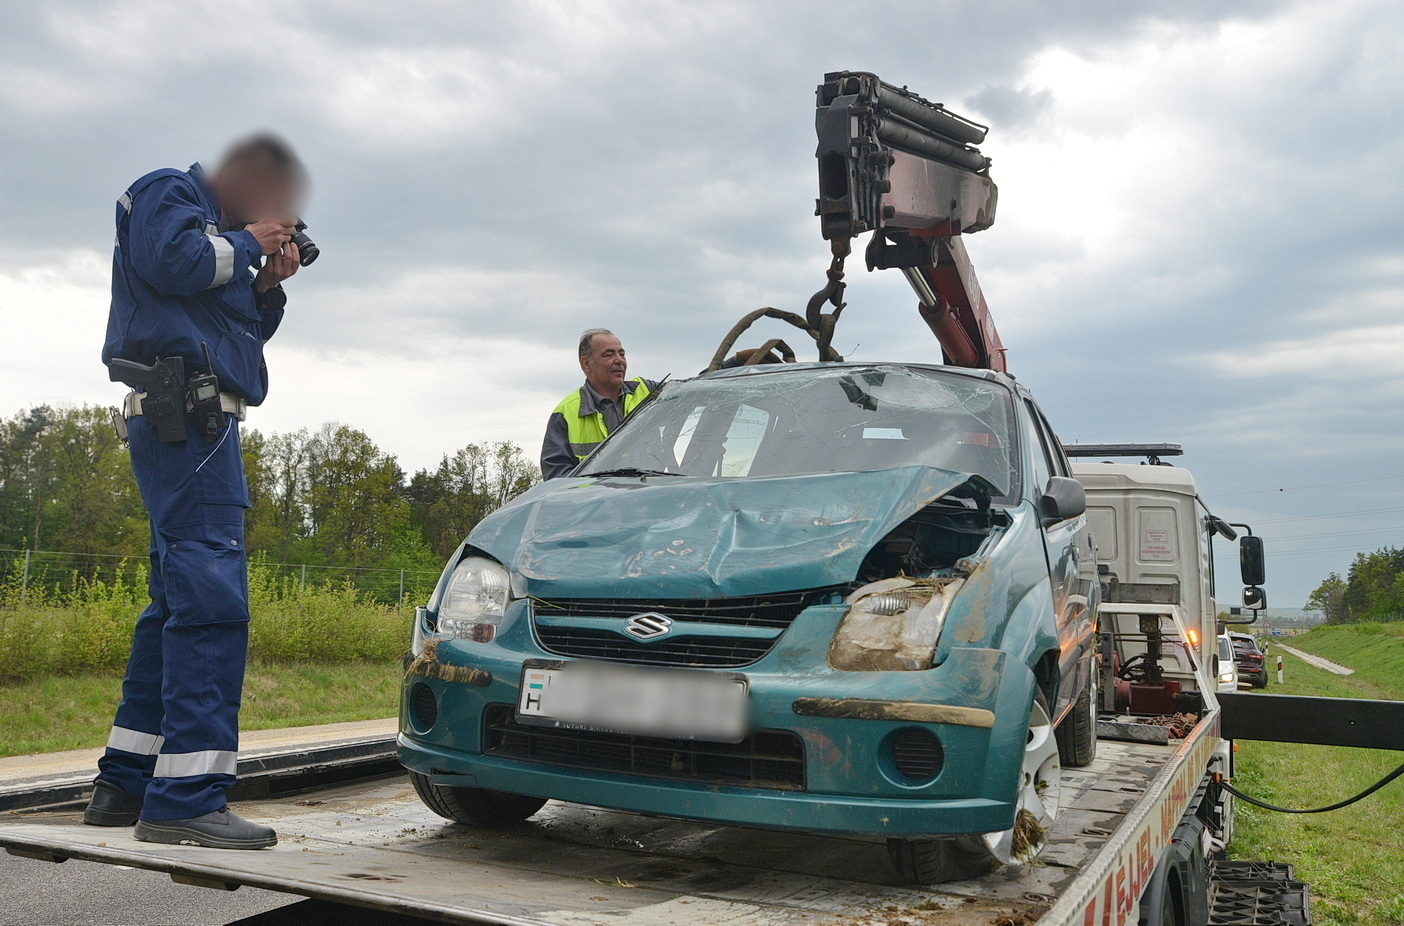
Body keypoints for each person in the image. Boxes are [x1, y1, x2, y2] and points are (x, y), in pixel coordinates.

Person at [86, 135, 307, 850]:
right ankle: (186, 799)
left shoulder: (222, 236)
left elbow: (238, 330)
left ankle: (128, 781)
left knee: (176, 602)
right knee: (211, 601)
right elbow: (174, 262)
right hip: (189, 425)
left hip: (195, 424)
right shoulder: (169, 193)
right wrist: (246, 243)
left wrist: (266, 282)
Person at [540, 329, 659, 479]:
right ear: (586, 364)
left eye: (621, 354)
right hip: (595, 501)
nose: (619, 360)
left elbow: (688, 393)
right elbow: (556, 479)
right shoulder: (566, 413)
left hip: (649, 498)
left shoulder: (648, 392)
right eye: (609, 355)